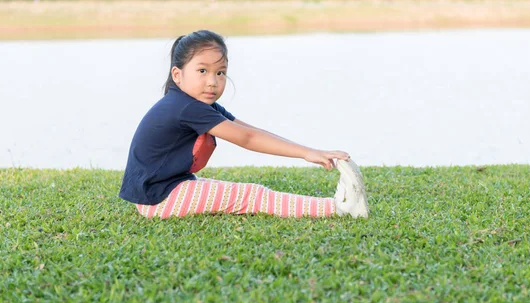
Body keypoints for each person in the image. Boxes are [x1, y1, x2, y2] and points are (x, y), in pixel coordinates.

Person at [119, 30, 368, 219]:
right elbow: (247, 139)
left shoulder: (193, 104)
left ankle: (337, 205)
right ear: (177, 75)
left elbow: (250, 131)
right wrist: (307, 154)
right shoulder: (186, 107)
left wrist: (309, 150)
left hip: (165, 190)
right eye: (202, 71)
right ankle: (338, 208)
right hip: (159, 199)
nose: (213, 82)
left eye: (220, 72)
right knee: (251, 195)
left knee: (230, 190)